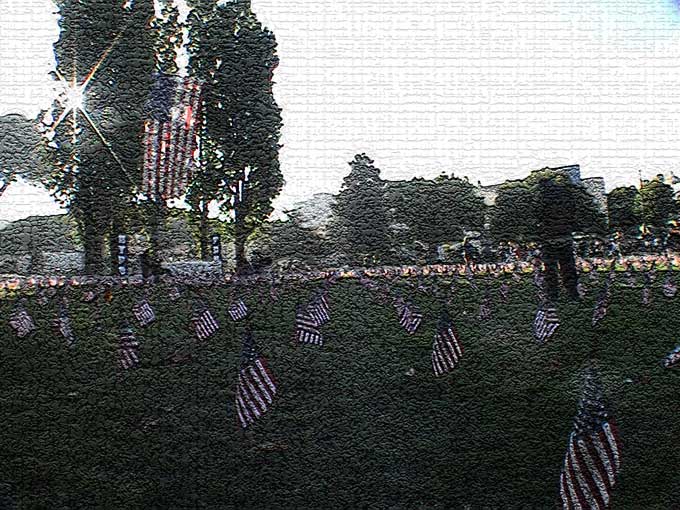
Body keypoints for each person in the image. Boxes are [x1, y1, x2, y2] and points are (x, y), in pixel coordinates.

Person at [534, 177, 579, 301]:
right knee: (568, 266)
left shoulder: (542, 197)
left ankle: (553, 294)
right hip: (565, 235)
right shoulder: (565, 195)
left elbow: (538, 214)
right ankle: (572, 293)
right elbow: (573, 211)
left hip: (549, 238)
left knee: (550, 269)